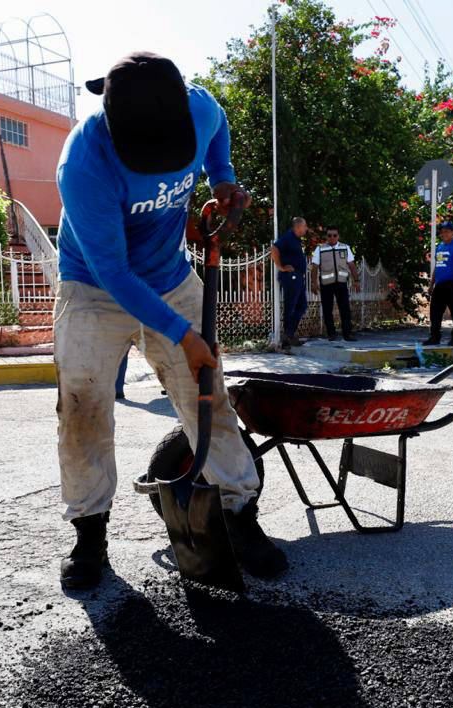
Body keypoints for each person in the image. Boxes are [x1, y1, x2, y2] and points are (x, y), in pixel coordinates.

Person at [53, 52, 287, 590]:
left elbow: (220, 122)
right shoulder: (83, 163)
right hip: (93, 286)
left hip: (171, 278)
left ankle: (239, 515)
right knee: (82, 408)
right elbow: (113, 271)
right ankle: (89, 534)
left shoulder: (198, 109)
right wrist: (184, 336)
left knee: (209, 399)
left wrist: (222, 176)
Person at [310, 227, 360, 341]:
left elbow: (352, 265)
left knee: (345, 309)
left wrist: (356, 280)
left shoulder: (345, 248)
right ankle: (331, 334)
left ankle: (347, 334)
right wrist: (314, 283)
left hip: (341, 284)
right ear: (326, 237)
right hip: (326, 284)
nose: (332, 238)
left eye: (334, 235)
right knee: (327, 309)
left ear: (338, 236)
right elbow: (315, 267)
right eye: (329, 235)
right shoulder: (320, 249)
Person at [424, 221, 453, 346]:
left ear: (452, 232)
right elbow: (437, 266)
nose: (444, 234)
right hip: (440, 284)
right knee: (435, 312)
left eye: (447, 231)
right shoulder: (440, 246)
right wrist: (431, 284)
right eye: (442, 232)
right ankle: (435, 337)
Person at [270, 217, 309, 349]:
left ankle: (289, 334)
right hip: (291, 277)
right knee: (291, 307)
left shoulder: (296, 240)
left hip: (298, 276)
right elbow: (274, 248)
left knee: (302, 305)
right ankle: (287, 337)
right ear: (297, 227)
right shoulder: (288, 237)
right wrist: (281, 267)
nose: (306, 228)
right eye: (304, 226)